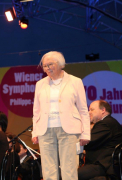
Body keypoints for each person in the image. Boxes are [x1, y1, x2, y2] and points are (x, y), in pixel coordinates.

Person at [31, 51, 90, 180]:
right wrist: (35, 132)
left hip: (69, 130)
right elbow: (36, 111)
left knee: (69, 168)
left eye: (50, 64)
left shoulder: (75, 81)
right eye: (44, 65)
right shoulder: (40, 84)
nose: (47, 68)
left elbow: (83, 110)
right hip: (45, 130)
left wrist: (85, 134)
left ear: (60, 64)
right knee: (48, 170)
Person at [78, 100, 122, 180]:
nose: (89, 112)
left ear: (103, 110)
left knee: (71, 175)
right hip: (103, 165)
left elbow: (88, 141)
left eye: (92, 109)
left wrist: (70, 144)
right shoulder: (110, 122)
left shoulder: (105, 123)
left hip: (103, 166)